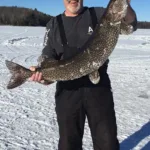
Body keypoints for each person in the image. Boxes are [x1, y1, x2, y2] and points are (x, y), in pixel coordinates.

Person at [29, 0, 137, 149]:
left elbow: (130, 26)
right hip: (68, 91)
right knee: (69, 143)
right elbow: (47, 57)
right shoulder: (54, 24)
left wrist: (126, 4)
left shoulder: (99, 14)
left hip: (99, 89)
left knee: (107, 143)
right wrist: (42, 75)